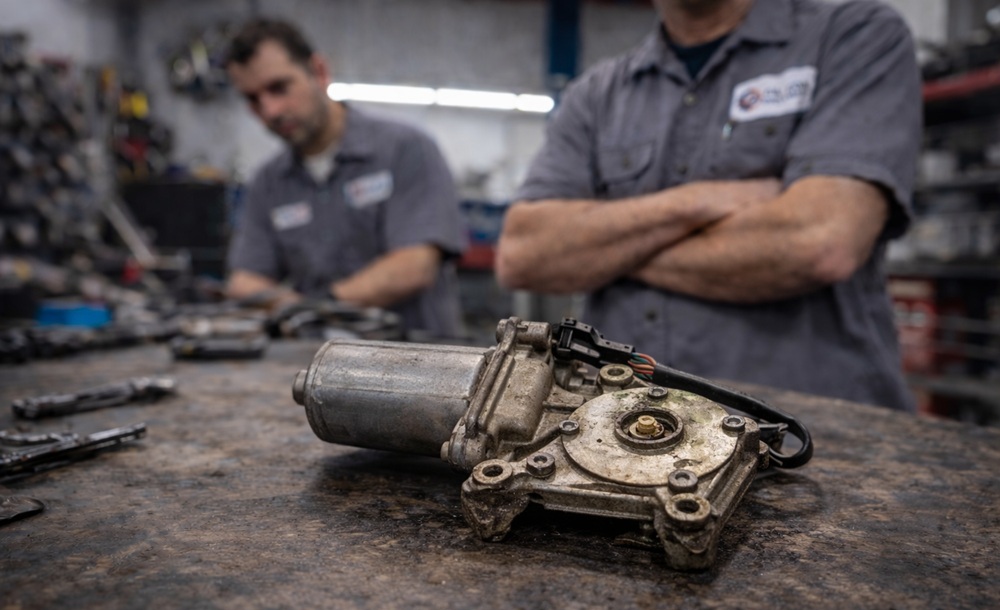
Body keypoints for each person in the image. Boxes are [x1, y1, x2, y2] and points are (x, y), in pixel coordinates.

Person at [496, 0, 920, 410]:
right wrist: (700, 201)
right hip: (621, 429)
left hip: (805, 433)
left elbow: (820, 242)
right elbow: (523, 256)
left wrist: (600, 249)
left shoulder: (852, 36)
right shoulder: (596, 94)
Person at [223, 18, 466, 338]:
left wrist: (314, 308)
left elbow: (415, 265)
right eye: (253, 99)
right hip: (315, 364)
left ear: (319, 72)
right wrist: (296, 307)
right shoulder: (268, 183)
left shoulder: (405, 150)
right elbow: (244, 281)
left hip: (418, 364)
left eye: (279, 88)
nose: (269, 111)